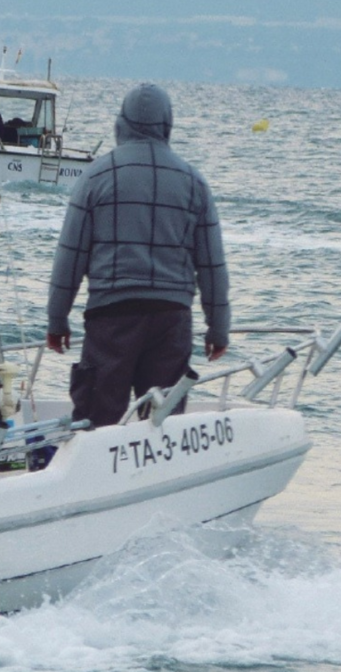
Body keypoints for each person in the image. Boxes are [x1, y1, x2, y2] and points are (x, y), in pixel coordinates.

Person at [45, 82, 230, 428]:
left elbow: (70, 255)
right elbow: (212, 265)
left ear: (121, 123)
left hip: (111, 316)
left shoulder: (96, 176)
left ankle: (97, 480)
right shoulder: (194, 182)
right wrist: (218, 329)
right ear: (167, 123)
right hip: (171, 318)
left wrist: (57, 319)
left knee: (97, 421)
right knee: (160, 423)